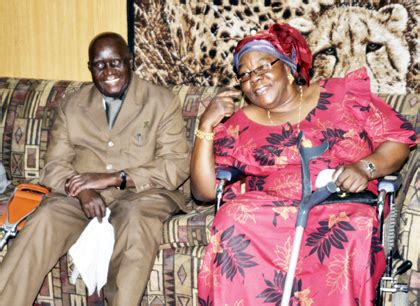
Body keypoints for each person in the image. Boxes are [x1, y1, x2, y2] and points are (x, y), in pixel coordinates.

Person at [191, 24, 416, 305]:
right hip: (268, 213)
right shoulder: (240, 123)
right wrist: (206, 125)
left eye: (262, 66)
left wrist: (365, 168)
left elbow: (397, 140)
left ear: (288, 67)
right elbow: (204, 192)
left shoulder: (342, 94)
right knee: (232, 217)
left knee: (352, 229)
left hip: (340, 204)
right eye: (245, 74)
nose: (254, 78)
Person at [0, 32, 190, 306]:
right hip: (80, 195)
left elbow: (175, 164)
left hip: (142, 194)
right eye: (99, 65)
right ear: (90, 68)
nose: (108, 71)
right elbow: (54, 164)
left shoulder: (161, 101)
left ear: (130, 61)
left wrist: (113, 178)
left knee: (136, 220)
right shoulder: (72, 105)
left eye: (116, 63)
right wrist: (80, 192)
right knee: (45, 217)